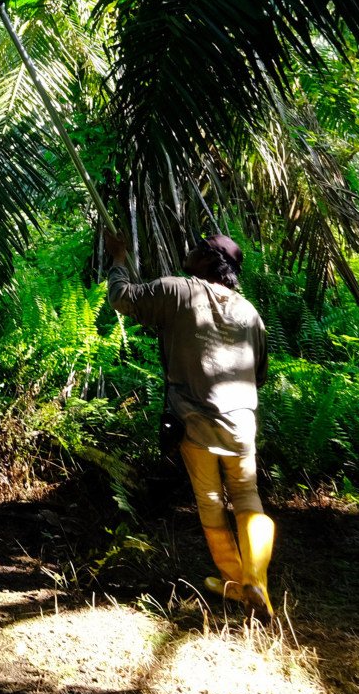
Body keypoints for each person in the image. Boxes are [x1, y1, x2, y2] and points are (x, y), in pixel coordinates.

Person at [103, 228, 276, 617]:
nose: (190, 252)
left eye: (198, 249)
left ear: (207, 262)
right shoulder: (250, 312)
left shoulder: (177, 290)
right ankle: (255, 581)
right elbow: (260, 374)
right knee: (247, 495)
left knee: (210, 500)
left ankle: (233, 581)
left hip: (194, 419)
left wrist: (118, 258)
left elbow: (121, 297)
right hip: (242, 421)